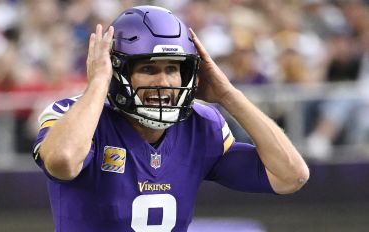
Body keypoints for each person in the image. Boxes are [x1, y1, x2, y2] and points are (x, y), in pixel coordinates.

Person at [32, 5, 309, 232]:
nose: (164, 82)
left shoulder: (201, 125)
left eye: (173, 69)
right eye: (149, 69)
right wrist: (97, 85)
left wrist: (228, 94)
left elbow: (291, 176)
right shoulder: (74, 116)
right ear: (118, 72)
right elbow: (63, 162)